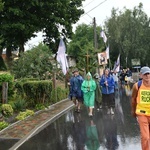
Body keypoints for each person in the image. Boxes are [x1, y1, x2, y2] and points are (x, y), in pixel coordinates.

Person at [131, 66, 150, 150]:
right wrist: (133, 110)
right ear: (141, 75)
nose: (147, 76)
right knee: (145, 137)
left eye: (149, 74)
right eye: (145, 74)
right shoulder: (137, 86)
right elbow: (133, 99)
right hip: (142, 113)